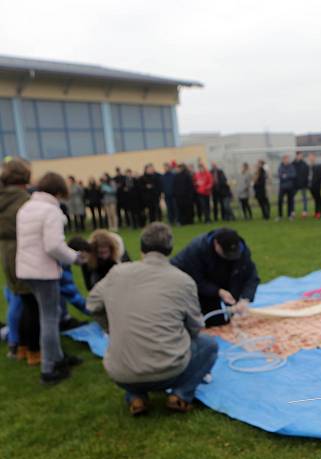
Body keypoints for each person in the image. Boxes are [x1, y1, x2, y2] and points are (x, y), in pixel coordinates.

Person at [87, 222, 218, 415]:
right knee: (208, 345)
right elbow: (196, 327)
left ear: (141, 248)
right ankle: (181, 394)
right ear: (170, 249)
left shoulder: (117, 273)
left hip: (121, 373)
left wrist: (110, 328)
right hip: (169, 371)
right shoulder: (182, 280)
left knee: (129, 349)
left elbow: (92, 305)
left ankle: (136, 396)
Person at [16, 172, 85, 384]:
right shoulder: (51, 211)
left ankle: (58, 358)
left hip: (26, 270)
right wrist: (75, 258)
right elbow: (54, 245)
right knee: (49, 318)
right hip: (43, 272)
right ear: (58, 191)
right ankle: (49, 368)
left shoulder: (26, 207)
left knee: (50, 313)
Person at [171, 228, 259, 326]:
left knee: (228, 321)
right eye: (226, 253)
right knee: (206, 323)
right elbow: (195, 280)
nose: (230, 257)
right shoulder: (197, 250)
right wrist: (217, 291)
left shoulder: (242, 251)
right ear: (216, 244)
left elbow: (251, 277)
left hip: (215, 281)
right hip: (190, 288)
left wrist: (245, 299)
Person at [0, 158, 32, 359]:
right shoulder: (23, 200)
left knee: (15, 296)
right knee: (26, 300)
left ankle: (15, 342)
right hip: (22, 252)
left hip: (5, 251)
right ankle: (26, 345)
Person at [277, 154, 297, 220]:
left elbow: (293, 175)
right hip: (282, 187)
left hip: (290, 187)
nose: (286, 160)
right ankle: (280, 216)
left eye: (287, 159)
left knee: (290, 201)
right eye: (284, 159)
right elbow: (280, 175)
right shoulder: (280, 166)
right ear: (283, 160)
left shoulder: (291, 166)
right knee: (280, 201)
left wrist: (286, 175)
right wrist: (286, 176)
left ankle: (289, 215)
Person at [293, 152, 311, 218]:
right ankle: (292, 211)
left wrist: (306, 183)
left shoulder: (304, 164)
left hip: (303, 184)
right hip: (295, 184)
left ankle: (305, 211)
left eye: (301, 155)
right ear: (296, 156)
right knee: (292, 198)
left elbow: (307, 174)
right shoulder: (293, 164)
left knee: (304, 198)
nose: (300, 157)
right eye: (299, 155)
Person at [309, 153, 321, 219]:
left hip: (317, 186)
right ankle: (316, 212)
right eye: (310, 157)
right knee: (316, 200)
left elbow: (320, 176)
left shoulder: (318, 166)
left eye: (312, 157)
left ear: (314, 158)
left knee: (319, 199)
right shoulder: (309, 167)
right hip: (311, 186)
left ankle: (319, 212)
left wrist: (317, 182)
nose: (311, 158)